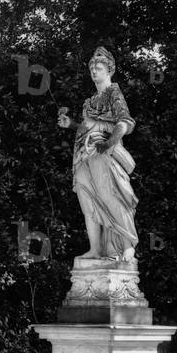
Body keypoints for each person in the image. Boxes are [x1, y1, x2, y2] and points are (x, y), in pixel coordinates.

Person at [57, 46, 138, 262]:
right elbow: (87, 127)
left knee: (111, 195)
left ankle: (127, 243)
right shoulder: (90, 102)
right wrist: (71, 124)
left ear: (109, 70)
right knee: (88, 200)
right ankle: (95, 249)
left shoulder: (114, 93)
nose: (94, 72)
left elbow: (125, 123)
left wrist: (109, 143)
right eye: (92, 68)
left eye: (99, 68)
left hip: (104, 154)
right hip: (84, 154)